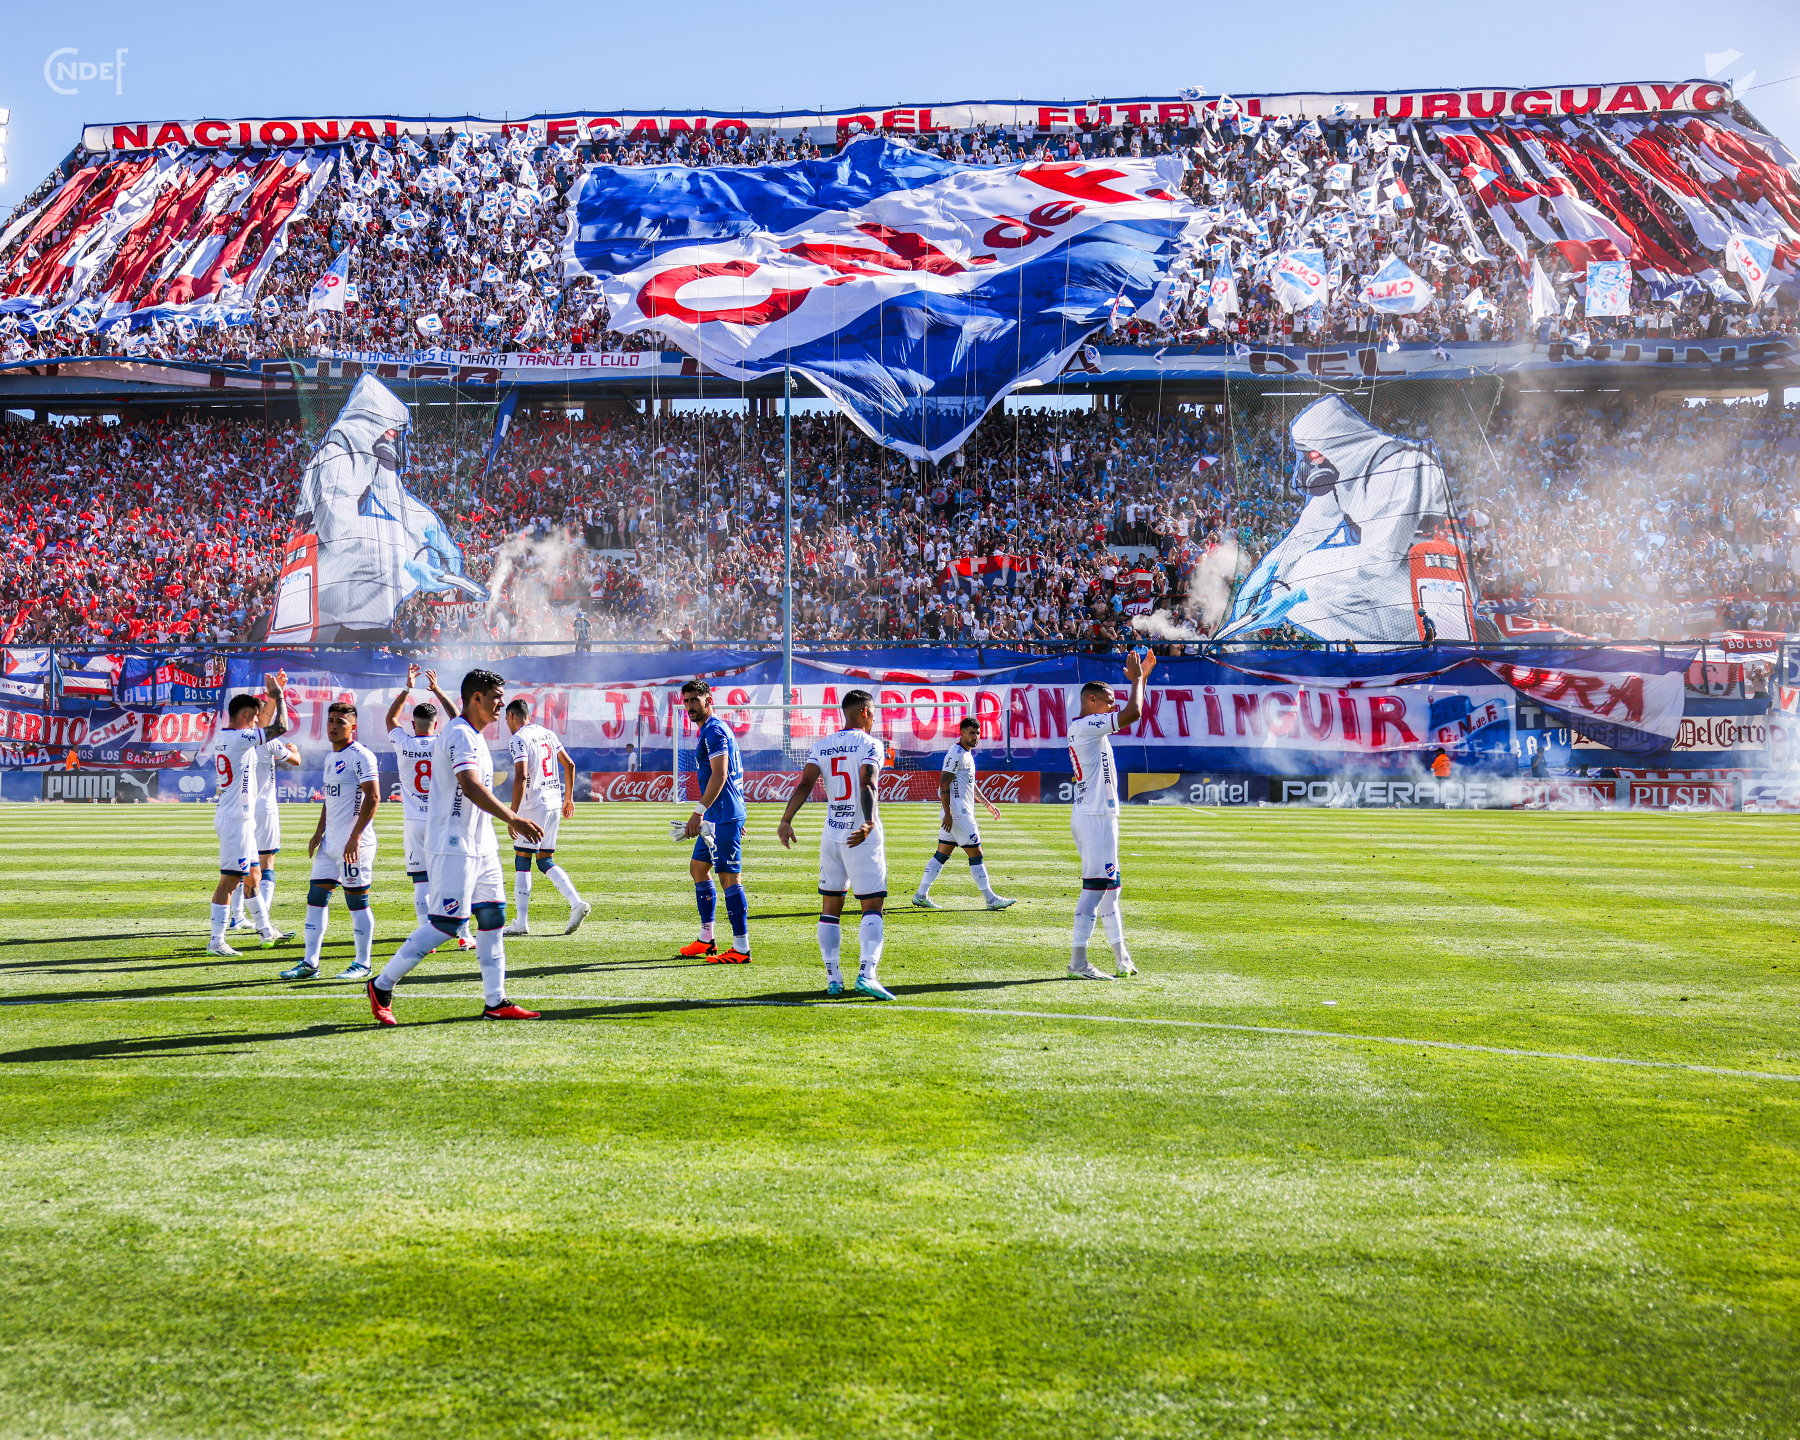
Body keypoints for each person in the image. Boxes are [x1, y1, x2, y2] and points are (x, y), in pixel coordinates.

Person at [368, 668, 544, 1026]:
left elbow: (473, 773)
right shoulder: (460, 734)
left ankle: (496, 1002)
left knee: (492, 917)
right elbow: (471, 786)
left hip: (482, 844)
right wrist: (514, 818)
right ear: (477, 698)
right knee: (447, 924)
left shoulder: (471, 733)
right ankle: (381, 985)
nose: (502, 704)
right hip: (452, 844)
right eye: (496, 697)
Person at [777, 689, 891, 999]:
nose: (874, 717)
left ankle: (833, 978)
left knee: (830, 907)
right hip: (860, 835)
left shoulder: (822, 746)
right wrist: (868, 820)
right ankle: (867, 974)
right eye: (873, 712)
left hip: (831, 834)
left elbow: (805, 784)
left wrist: (786, 820)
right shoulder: (871, 744)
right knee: (872, 905)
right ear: (865, 712)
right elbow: (868, 781)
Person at [1065, 649, 1154, 980]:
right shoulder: (1087, 725)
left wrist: (1141, 680)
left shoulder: (1088, 727)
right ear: (1091, 701)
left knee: (1111, 889)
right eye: (1108, 701)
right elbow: (1134, 712)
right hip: (1094, 817)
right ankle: (1077, 964)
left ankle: (1122, 959)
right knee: (1095, 888)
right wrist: (1138, 681)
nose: (1113, 706)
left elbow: (1128, 710)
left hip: (1098, 815)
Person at [279, 701, 381, 981]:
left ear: (353, 727)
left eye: (340, 722)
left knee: (357, 902)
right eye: (331, 721)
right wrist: (318, 832)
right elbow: (330, 799)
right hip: (330, 844)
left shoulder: (362, 756)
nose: (333, 726)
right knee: (315, 898)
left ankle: (363, 963)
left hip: (354, 845)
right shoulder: (330, 758)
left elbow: (373, 797)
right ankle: (310, 963)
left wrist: (355, 837)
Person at [383, 664, 473, 948]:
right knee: (455, 877)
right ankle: (464, 935)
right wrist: (437, 690)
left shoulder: (403, 742)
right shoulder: (445, 741)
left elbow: (390, 718)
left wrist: (407, 687)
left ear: (414, 725)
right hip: (443, 819)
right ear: (436, 725)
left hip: (414, 823)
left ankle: (427, 938)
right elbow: (458, 718)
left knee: (421, 881)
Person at [202, 670, 290, 955]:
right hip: (235, 819)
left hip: (241, 817)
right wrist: (278, 696)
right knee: (230, 880)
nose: (256, 722)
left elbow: (267, 725)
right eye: (253, 718)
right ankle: (216, 941)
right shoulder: (240, 738)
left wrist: (270, 699)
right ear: (244, 716)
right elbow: (280, 726)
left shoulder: (228, 737)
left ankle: (266, 930)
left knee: (253, 875)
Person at [501, 698, 591, 936]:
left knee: (522, 861)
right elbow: (569, 764)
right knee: (544, 860)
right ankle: (576, 903)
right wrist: (568, 798)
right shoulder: (548, 733)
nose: (507, 724)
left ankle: (521, 923)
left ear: (511, 716)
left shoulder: (518, 738)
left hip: (533, 806)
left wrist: (513, 815)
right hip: (553, 803)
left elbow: (521, 776)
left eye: (506, 719)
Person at [677, 679, 750, 962]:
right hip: (719, 814)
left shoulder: (715, 730)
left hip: (722, 816)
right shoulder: (710, 730)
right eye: (686, 701)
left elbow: (721, 774)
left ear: (709, 700)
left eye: (695, 700)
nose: (690, 706)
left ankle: (741, 948)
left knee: (729, 878)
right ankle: (706, 939)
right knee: (698, 868)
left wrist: (698, 812)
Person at [912, 716, 1013, 911]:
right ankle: (991, 899)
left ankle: (920, 895)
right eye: (971, 733)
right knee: (976, 854)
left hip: (957, 813)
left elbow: (970, 784)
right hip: (958, 814)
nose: (975, 736)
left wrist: (987, 804)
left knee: (942, 853)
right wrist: (948, 813)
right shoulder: (956, 752)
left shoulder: (967, 754)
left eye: (977, 733)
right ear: (962, 733)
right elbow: (944, 782)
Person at [231, 700, 300, 934]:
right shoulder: (269, 740)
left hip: (243, 809)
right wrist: (295, 749)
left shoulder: (238, 739)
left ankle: (237, 917)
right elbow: (296, 760)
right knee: (266, 862)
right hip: (265, 808)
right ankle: (264, 917)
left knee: (242, 865)